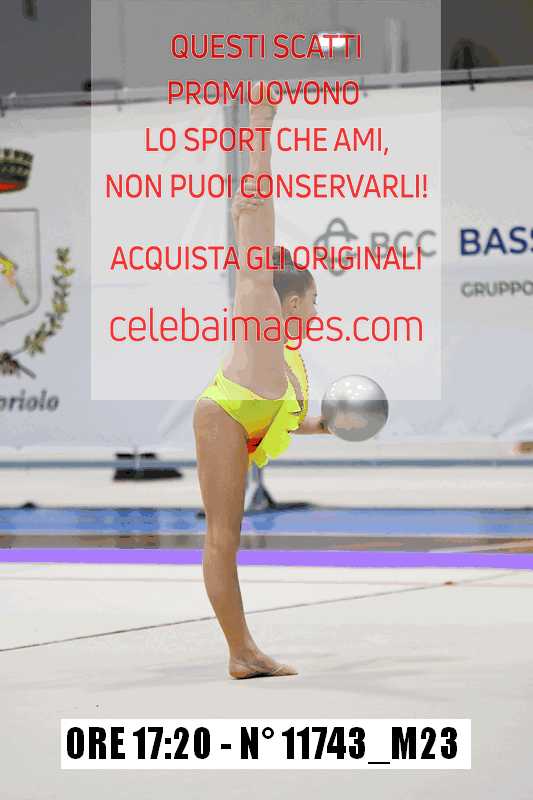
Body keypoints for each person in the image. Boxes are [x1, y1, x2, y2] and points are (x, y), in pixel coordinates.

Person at [193, 82, 331, 680]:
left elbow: (290, 420)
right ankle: (241, 651)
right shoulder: (260, 308)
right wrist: (260, 130)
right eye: (315, 301)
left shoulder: (292, 361)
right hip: (223, 415)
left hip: (247, 419)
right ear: (291, 301)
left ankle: (244, 649)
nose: (318, 311)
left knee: (231, 534)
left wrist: (332, 423)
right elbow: (261, 228)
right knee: (224, 536)